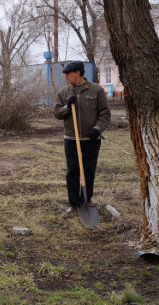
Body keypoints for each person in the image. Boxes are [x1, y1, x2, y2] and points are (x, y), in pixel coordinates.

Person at [54, 61, 111, 214]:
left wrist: (97, 129)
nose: (66, 76)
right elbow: (57, 114)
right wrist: (67, 107)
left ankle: (87, 199)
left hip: (91, 140)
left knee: (89, 170)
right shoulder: (64, 92)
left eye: (68, 73)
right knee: (72, 171)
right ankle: (74, 203)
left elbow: (105, 114)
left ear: (78, 73)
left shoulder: (96, 90)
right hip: (71, 139)